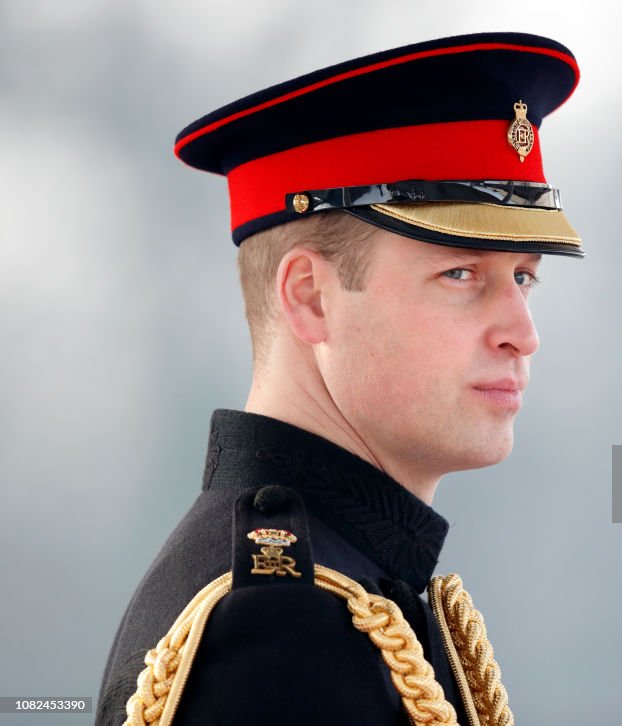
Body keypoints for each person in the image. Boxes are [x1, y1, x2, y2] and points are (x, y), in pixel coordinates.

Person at [96, 31, 583, 726]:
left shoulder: (341, 587)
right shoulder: (282, 623)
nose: (522, 333)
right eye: (461, 273)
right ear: (310, 298)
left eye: (524, 277)